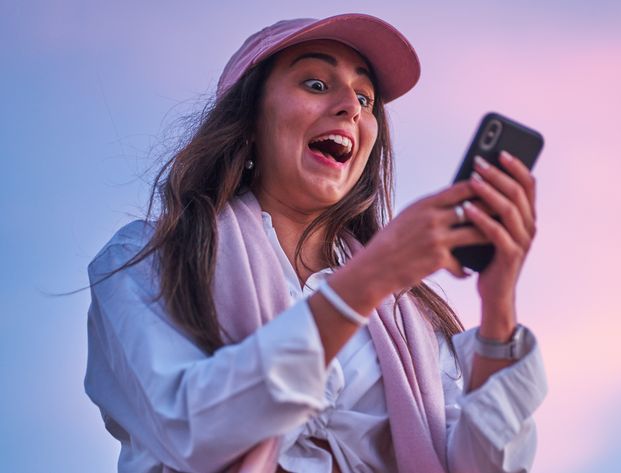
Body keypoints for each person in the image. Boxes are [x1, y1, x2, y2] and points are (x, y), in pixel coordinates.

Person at [85, 13, 547, 473]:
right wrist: (369, 280)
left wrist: (498, 304)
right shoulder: (149, 257)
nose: (352, 106)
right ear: (248, 120)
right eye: (317, 84)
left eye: (366, 98)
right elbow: (188, 428)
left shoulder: (412, 320)